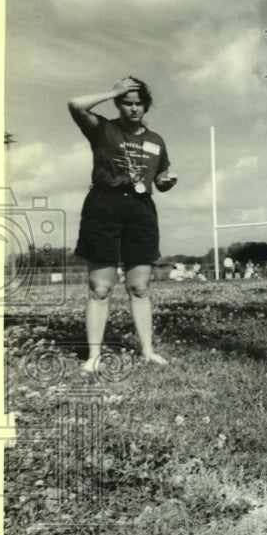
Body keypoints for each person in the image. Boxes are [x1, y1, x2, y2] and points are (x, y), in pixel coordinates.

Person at [69, 76, 176, 372]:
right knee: (100, 288)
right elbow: (75, 105)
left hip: (141, 210)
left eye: (138, 103)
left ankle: (148, 351)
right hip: (104, 205)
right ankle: (93, 356)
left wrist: (164, 183)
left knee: (140, 286)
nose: (133, 108)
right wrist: (112, 90)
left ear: (146, 105)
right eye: (126, 103)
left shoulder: (156, 141)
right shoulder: (103, 129)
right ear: (118, 104)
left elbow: (160, 177)